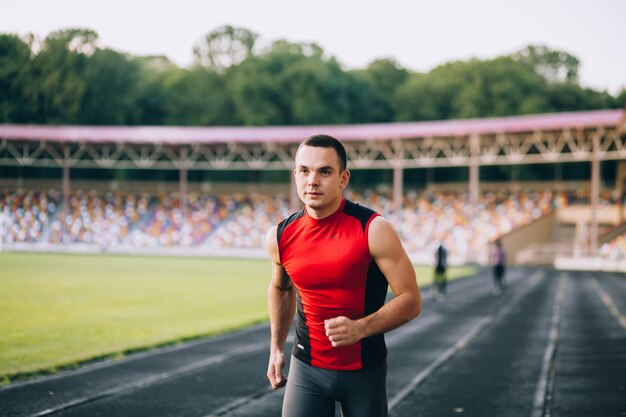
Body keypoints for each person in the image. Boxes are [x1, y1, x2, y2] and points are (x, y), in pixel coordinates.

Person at [266, 134, 422, 417]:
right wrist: (276, 348)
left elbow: (411, 300)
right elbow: (281, 288)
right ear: (295, 175)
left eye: (324, 171)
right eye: (304, 170)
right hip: (307, 368)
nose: (312, 180)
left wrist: (360, 328)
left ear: (343, 178)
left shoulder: (373, 229)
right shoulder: (280, 235)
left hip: (365, 370)